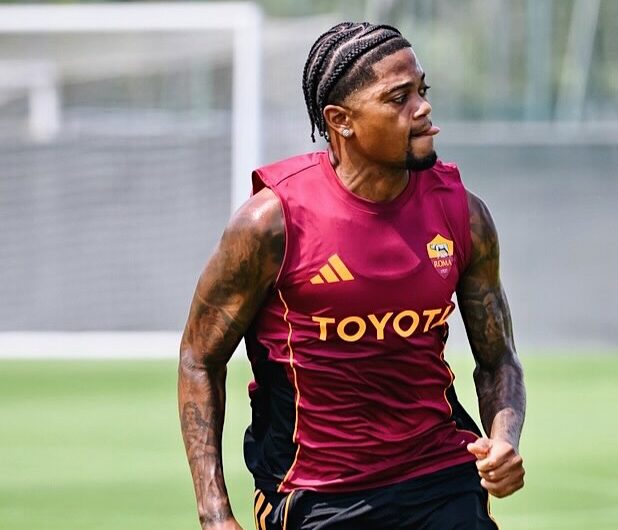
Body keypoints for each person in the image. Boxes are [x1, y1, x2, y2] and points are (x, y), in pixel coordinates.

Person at [178, 22, 526, 530]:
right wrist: (214, 513)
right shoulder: (271, 224)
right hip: (316, 494)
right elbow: (199, 359)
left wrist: (503, 439)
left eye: (422, 90)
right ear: (340, 120)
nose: (423, 108)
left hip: (440, 476)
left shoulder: (462, 215)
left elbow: (498, 360)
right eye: (399, 98)